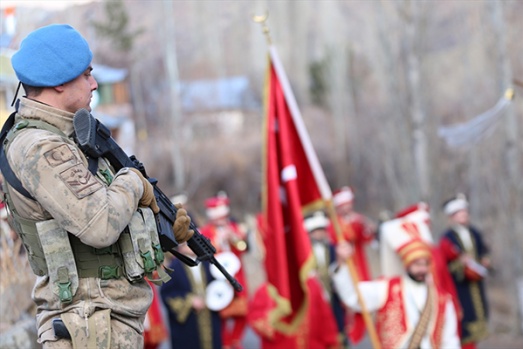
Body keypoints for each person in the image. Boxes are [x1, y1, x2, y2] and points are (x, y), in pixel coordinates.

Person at [0, 24, 194, 348]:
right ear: (60, 81)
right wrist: (134, 181)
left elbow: (104, 242)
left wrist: (162, 232)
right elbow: (100, 224)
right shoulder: (39, 146)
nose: (94, 84)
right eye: (86, 74)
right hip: (88, 326)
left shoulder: (68, 137)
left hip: (103, 321)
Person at [332, 238, 461, 349]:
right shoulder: (387, 287)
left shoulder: (442, 298)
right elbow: (353, 297)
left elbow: (450, 340)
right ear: (407, 265)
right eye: (417, 264)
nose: (422, 269)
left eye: (425, 264)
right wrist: (342, 263)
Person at [439, 194, 490, 349]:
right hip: (459, 288)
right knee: (464, 323)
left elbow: (484, 251)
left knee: (478, 319)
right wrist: (461, 265)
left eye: (465, 212)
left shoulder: (475, 233)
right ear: (452, 216)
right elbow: (444, 267)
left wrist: (484, 261)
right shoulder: (446, 238)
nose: (464, 215)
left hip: (476, 285)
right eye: (459, 213)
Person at [199, 192, 248, 349]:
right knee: (222, 313)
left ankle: (236, 340)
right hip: (218, 276)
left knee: (243, 311)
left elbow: (243, 248)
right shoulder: (206, 231)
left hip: (237, 274)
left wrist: (233, 237)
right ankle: (225, 343)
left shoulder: (233, 227)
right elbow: (206, 253)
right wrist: (219, 241)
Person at [159, 244, 222, 349]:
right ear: (180, 247)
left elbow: (216, 285)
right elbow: (167, 294)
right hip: (188, 322)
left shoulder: (207, 263)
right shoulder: (173, 268)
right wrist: (190, 301)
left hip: (210, 315)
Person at [304, 211, 348, 347]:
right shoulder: (305, 251)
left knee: (337, 326)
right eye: (316, 231)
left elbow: (337, 268)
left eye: (321, 230)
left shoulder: (332, 248)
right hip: (313, 299)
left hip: (332, 294)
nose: (319, 234)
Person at [328, 186, 376, 281]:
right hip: (344, 259)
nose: (348, 208)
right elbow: (334, 241)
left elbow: (365, 238)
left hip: (359, 256)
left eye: (349, 205)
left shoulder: (357, 219)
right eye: (344, 205)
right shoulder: (334, 223)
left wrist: (366, 226)